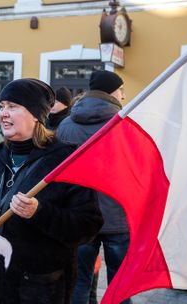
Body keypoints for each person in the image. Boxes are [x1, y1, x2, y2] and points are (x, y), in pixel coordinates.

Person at [0, 78, 103, 304]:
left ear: (36, 114)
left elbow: (88, 225)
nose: (3, 113)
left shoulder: (64, 161)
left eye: (12, 106)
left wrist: (40, 213)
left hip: (36, 290)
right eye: (2, 106)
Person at [56, 70, 131, 304]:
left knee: (79, 280)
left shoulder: (66, 124)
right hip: (117, 214)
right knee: (120, 283)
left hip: (79, 215)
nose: (123, 95)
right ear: (111, 91)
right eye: (120, 90)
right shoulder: (125, 123)